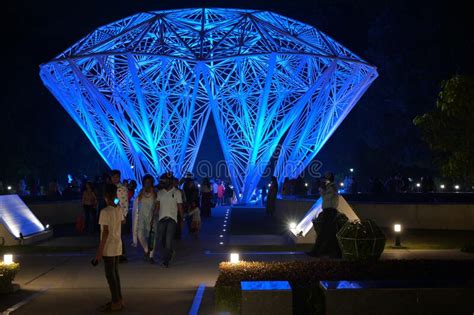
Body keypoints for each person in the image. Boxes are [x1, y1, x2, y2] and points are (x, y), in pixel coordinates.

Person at [96, 184, 124, 312]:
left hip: (109, 247)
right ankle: (118, 300)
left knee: (110, 276)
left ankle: (116, 302)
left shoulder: (104, 211)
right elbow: (122, 222)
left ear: (105, 196)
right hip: (117, 244)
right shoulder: (118, 209)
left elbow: (105, 232)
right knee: (115, 274)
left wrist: (99, 252)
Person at [307, 172, 341, 258]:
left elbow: (326, 198)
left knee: (324, 232)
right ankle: (335, 253)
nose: (323, 180)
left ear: (328, 179)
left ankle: (317, 252)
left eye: (325, 179)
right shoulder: (330, 187)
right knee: (330, 233)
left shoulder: (331, 187)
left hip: (330, 211)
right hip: (328, 211)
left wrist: (322, 190)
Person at [154, 173, 184, 268]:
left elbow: (180, 207)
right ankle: (170, 252)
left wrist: (181, 219)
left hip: (172, 219)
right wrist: (153, 218)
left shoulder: (177, 193)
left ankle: (166, 261)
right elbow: (157, 206)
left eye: (164, 181)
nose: (162, 182)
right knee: (160, 240)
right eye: (162, 181)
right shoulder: (160, 192)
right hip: (161, 218)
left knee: (168, 240)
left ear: (170, 181)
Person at [135, 174, 157, 263]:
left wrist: (154, 216)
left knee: (152, 238)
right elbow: (137, 203)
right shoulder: (141, 191)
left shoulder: (155, 192)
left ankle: (151, 256)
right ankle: (146, 250)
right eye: (146, 182)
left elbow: (157, 205)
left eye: (149, 182)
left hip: (151, 217)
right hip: (141, 217)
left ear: (152, 183)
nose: (147, 184)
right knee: (140, 235)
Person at [110, 170, 129, 263]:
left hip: (119, 215)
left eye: (116, 177)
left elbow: (125, 203)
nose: (114, 179)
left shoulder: (123, 188)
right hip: (111, 215)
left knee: (118, 235)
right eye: (113, 177)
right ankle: (116, 254)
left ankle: (122, 254)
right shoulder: (109, 188)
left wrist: (124, 216)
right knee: (113, 235)